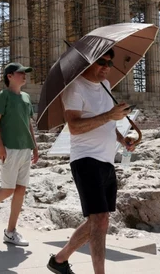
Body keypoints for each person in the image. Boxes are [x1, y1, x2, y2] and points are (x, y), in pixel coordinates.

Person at [47, 49, 135, 274]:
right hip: (85, 159)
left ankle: (59, 260)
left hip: (106, 160)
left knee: (100, 221)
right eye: (101, 62)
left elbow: (108, 123)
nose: (106, 67)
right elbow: (74, 127)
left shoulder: (105, 87)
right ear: (86, 64)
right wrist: (109, 116)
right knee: (99, 220)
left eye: (109, 63)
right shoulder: (74, 88)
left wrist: (122, 139)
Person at [0, 63, 39, 247]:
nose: (24, 76)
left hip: (25, 148)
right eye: (21, 73)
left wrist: (35, 147)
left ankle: (10, 232)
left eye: (25, 73)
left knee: (20, 190)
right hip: (9, 148)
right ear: (10, 76)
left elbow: (28, 123)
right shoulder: (3, 96)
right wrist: (0, 146)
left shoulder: (26, 97)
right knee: (8, 189)